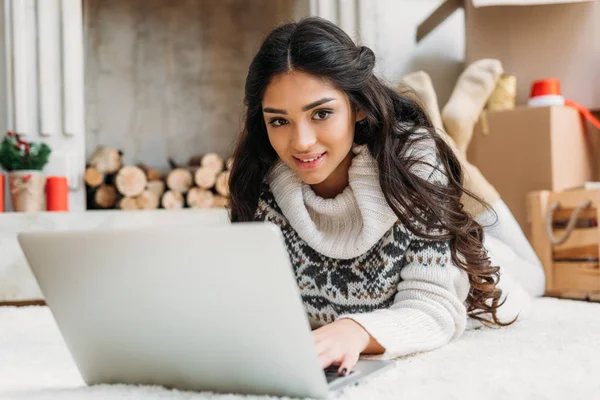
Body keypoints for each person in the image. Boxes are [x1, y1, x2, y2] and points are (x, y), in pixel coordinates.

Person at [228, 17, 514, 377]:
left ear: (358, 106)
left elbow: (434, 308)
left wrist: (357, 330)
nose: (300, 142)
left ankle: (452, 141)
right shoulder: (260, 182)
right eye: (279, 121)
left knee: (534, 276)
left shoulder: (408, 165)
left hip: (481, 265)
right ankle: (450, 136)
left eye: (321, 113)